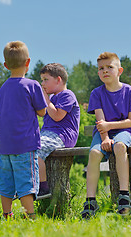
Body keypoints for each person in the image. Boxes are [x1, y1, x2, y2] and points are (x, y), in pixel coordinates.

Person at [81, 52, 131, 218]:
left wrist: (110, 128)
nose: (105, 71)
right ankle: (90, 201)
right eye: (101, 68)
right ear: (98, 72)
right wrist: (105, 139)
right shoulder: (97, 93)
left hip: (124, 131)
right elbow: (101, 122)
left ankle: (124, 196)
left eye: (110, 67)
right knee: (94, 153)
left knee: (120, 146)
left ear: (119, 70)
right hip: (103, 133)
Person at [0, 41, 47, 219]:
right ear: (28, 62)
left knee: (6, 182)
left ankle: (6, 214)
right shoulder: (32, 85)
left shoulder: (2, 90)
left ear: (6, 65)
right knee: (26, 181)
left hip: (5, 146)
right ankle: (30, 215)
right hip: (25, 144)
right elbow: (42, 111)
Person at [36, 63, 80, 200]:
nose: (43, 83)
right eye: (42, 80)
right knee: (25, 146)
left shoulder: (67, 95)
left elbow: (57, 116)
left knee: (36, 150)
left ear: (58, 80)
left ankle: (43, 188)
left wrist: (46, 99)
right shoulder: (52, 98)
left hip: (63, 135)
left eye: (45, 80)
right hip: (48, 134)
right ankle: (24, 186)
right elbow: (43, 114)